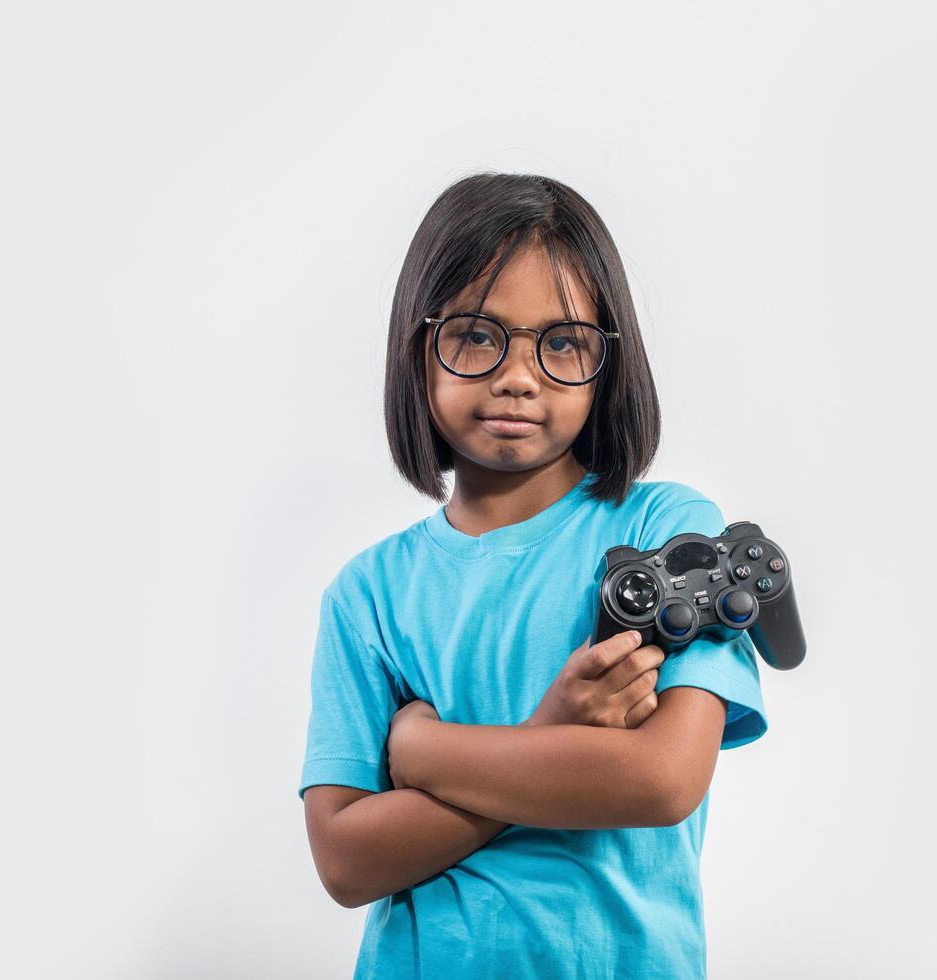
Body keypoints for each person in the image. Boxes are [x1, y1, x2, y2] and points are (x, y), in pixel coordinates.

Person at [299, 172, 769, 979]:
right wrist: (555, 727)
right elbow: (345, 860)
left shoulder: (666, 531)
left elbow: (659, 781)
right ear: (418, 349)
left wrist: (420, 750)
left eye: (562, 343)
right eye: (477, 335)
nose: (519, 376)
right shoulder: (369, 592)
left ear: (606, 362)